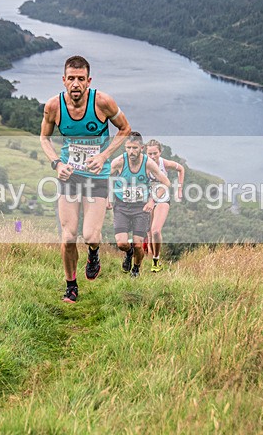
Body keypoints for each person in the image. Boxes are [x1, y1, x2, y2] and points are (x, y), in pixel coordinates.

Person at [40, 55, 131, 303]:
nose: (76, 84)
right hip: (70, 175)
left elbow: (125, 129)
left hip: (97, 176)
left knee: (91, 235)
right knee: (68, 236)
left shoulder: (102, 102)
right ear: (64, 80)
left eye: (81, 79)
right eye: (71, 79)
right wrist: (56, 163)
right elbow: (44, 138)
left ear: (89, 81)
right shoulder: (53, 106)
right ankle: (71, 286)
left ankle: (93, 253)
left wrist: (104, 156)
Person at [110, 132, 170, 278]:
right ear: (125, 147)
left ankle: (136, 269)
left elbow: (166, 183)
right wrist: (107, 197)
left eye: (135, 148)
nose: (131, 151)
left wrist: (152, 201)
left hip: (140, 207)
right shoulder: (118, 162)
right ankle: (128, 252)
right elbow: (105, 178)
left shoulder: (148, 163)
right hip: (121, 206)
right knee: (122, 243)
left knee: (138, 244)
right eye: (129, 148)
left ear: (141, 148)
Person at [145, 139, 185, 272]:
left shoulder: (164, 163)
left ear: (160, 152)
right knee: (149, 231)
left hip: (162, 198)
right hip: (147, 199)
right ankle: (149, 259)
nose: (152, 157)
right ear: (146, 153)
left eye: (155, 153)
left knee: (156, 230)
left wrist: (179, 189)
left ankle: (156, 259)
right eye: (149, 154)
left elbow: (181, 169)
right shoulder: (143, 164)